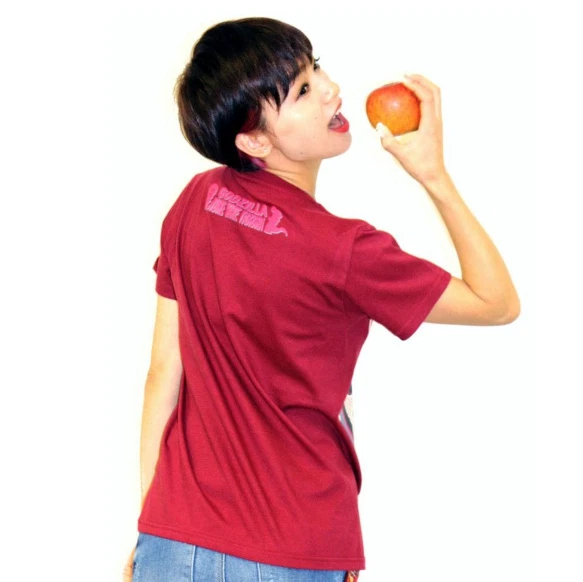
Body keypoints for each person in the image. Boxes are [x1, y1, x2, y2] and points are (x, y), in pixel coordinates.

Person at [123, 16, 520, 582]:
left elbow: (163, 373)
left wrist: (152, 523)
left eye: (316, 67)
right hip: (293, 546)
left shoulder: (195, 201)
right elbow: (496, 302)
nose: (332, 89)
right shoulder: (342, 250)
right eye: (303, 90)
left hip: (175, 538)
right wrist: (434, 176)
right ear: (254, 140)